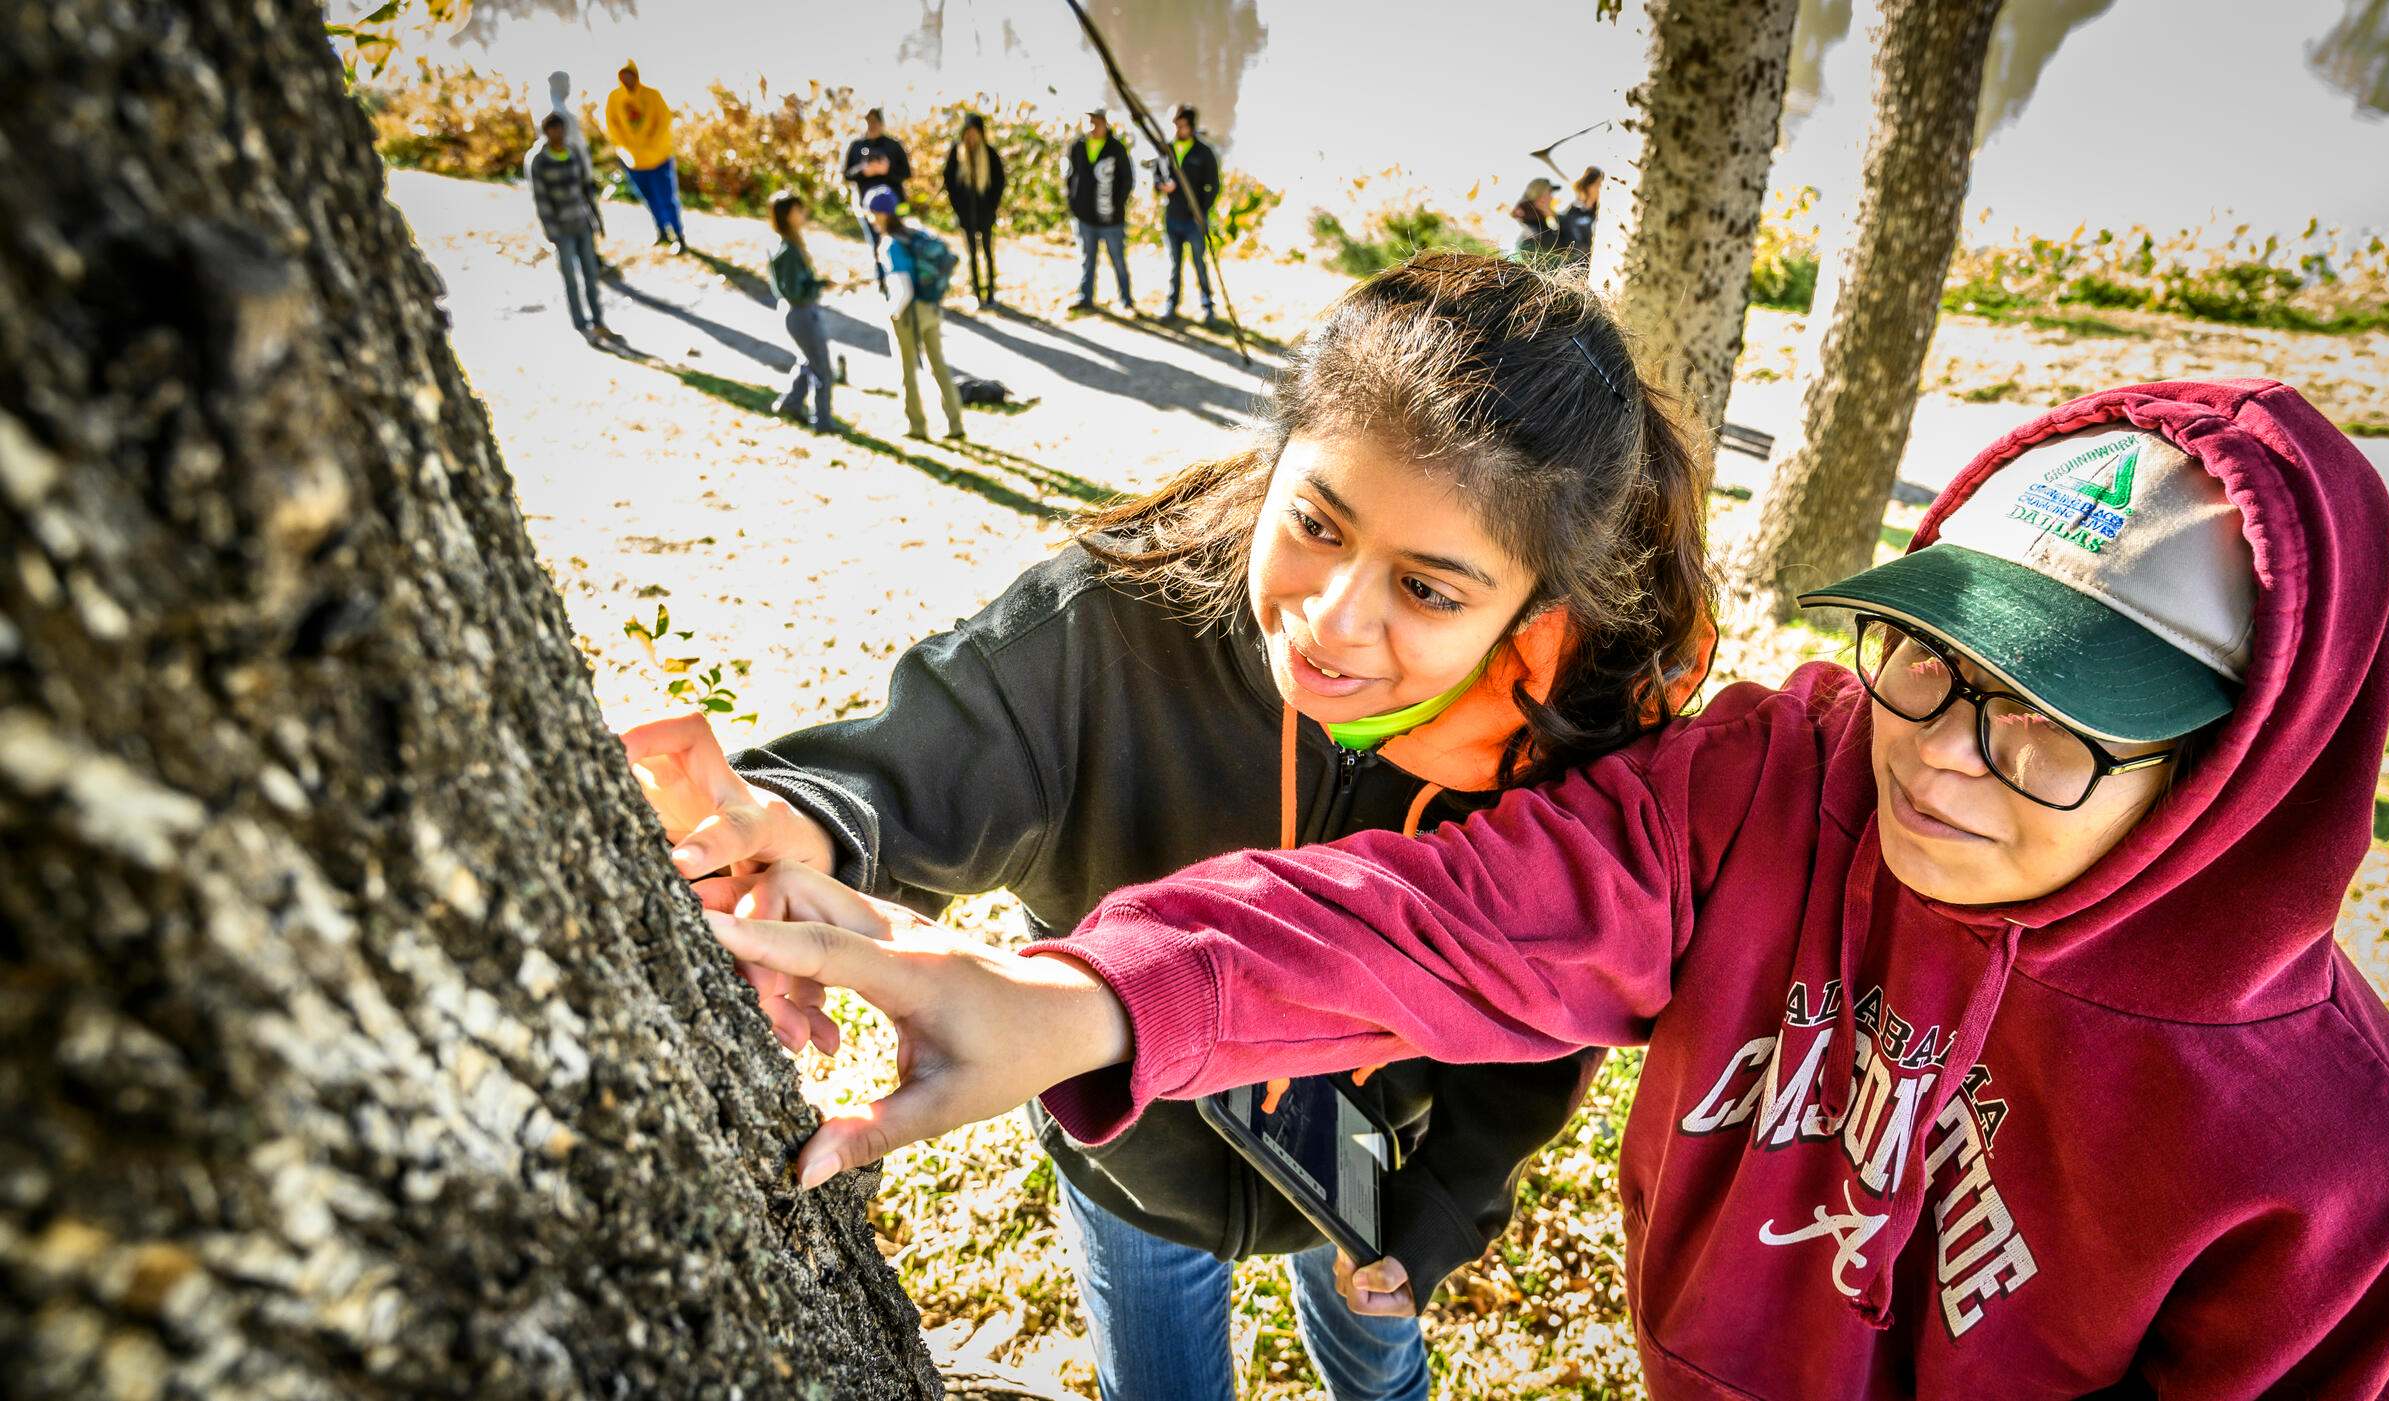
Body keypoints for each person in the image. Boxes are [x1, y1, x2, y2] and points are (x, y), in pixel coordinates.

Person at [708, 379, 2389, 1398]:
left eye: (2055, 728)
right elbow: (1451, 917)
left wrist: (1435, 1207)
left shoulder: (2329, 1151)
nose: (1935, 755)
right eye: (1928, 661)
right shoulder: (1778, 786)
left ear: (2238, 772)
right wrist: (1088, 1000)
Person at [624, 254, 1718, 1401]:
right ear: (1276, 463)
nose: (1333, 623)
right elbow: (949, 740)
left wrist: (1438, 1209)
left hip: (1362, 1172)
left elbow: (1539, 1000)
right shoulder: (1116, 620)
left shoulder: (1557, 753)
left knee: (1376, 1359)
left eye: (1429, 591)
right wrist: (807, 821)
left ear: (1535, 613)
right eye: (1317, 524)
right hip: (1128, 1158)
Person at [866, 188, 965, 442]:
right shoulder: (915, 232)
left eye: (872, 214)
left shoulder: (891, 244)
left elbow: (903, 287)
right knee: (938, 365)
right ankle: (955, 423)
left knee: (906, 370)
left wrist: (893, 312)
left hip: (909, 312)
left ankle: (916, 426)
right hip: (931, 307)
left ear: (881, 214)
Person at [526, 113, 612, 341]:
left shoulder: (572, 152)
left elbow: (586, 190)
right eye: (553, 129)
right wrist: (551, 232)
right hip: (561, 229)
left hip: (582, 223)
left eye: (560, 129)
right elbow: (541, 199)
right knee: (570, 279)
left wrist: (596, 221)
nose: (558, 133)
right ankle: (581, 324)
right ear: (547, 132)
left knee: (591, 274)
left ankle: (598, 320)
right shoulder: (539, 161)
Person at [768, 191, 837, 433]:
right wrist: (819, 285)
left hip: (801, 311)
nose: (803, 214)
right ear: (787, 215)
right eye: (799, 210)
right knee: (822, 369)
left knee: (809, 361)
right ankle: (823, 422)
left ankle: (790, 403)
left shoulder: (789, 244)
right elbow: (794, 291)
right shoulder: (786, 250)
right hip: (801, 313)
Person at [603, 60, 685, 252]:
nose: (626, 79)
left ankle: (679, 235)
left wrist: (649, 142)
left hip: (659, 157)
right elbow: (612, 126)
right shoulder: (615, 98)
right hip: (633, 161)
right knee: (649, 198)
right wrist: (628, 147)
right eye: (622, 75)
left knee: (667, 198)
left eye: (629, 74)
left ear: (636, 74)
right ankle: (662, 231)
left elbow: (664, 120)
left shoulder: (652, 95)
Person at [1065, 108, 1136, 315]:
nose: (1093, 127)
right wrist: (1074, 202)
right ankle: (1085, 298)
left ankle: (1126, 300)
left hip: (1111, 218)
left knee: (1118, 260)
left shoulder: (1116, 148)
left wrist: (1117, 203)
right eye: (1090, 122)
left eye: (1097, 122)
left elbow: (1127, 180)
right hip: (1085, 216)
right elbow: (1071, 176)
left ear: (1106, 123)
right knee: (1087, 259)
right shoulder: (1078, 146)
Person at [1155, 104, 1221, 323]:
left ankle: (1208, 308)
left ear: (1191, 127)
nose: (1178, 130)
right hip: (1172, 217)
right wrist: (1162, 187)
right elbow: (1157, 177)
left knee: (1199, 264)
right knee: (1174, 265)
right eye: (1175, 125)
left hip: (1194, 221)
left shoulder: (1204, 152)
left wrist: (1201, 211)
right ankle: (1171, 305)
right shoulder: (1167, 149)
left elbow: (1214, 185)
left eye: (1182, 125)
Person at [942, 112, 1007, 311]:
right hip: (965, 214)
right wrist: (958, 208)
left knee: (988, 252)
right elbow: (949, 183)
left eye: (974, 132)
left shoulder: (989, 153)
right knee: (971, 254)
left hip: (985, 213)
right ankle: (977, 293)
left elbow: (999, 182)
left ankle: (991, 293)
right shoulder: (956, 153)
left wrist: (991, 206)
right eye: (967, 133)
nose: (970, 137)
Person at [543, 70, 606, 262]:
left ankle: (589, 254)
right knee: (581, 215)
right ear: (557, 85)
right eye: (566, 84)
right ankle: (588, 257)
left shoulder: (561, 109)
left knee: (584, 214)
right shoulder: (556, 113)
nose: (569, 88)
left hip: (576, 171)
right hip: (570, 174)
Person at [844, 107, 912, 286]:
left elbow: (906, 173)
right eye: (868, 122)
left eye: (875, 122)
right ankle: (883, 281)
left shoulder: (893, 145)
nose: (872, 126)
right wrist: (864, 171)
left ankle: (904, 278)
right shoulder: (857, 146)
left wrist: (887, 170)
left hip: (895, 206)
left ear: (882, 123)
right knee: (876, 244)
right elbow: (847, 174)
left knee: (898, 240)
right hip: (867, 207)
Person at [1509, 177, 1568, 266]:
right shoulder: (1534, 234)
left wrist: (1552, 215)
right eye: (1549, 193)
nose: (1552, 198)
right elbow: (1566, 241)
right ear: (1540, 197)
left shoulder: (1537, 224)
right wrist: (1554, 216)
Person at [1557, 165, 1600, 265]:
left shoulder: (1600, 214)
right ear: (1587, 186)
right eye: (1597, 184)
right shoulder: (1569, 217)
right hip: (1576, 270)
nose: (1600, 189)